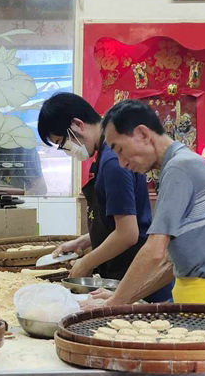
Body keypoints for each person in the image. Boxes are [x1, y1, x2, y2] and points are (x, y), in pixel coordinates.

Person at [92, 99, 205, 307]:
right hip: (197, 297)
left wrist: (112, 304)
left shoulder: (180, 167)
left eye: (119, 150)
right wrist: (121, 299)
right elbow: (169, 262)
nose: (121, 163)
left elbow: (154, 251)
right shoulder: (177, 165)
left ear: (143, 134)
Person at [37, 93, 172, 302]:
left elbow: (128, 234)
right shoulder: (106, 157)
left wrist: (86, 262)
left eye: (62, 143)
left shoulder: (112, 161)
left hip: (139, 282)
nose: (66, 151)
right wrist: (82, 242)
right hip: (128, 278)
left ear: (77, 125)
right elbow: (119, 221)